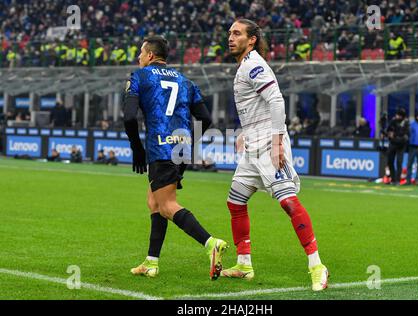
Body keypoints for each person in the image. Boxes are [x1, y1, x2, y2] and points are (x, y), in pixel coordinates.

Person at [224, 19, 328, 291]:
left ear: (252, 39)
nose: (230, 37)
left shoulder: (254, 65)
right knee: (235, 201)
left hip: (269, 143)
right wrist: (245, 131)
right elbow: (256, 106)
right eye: (230, 33)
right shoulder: (245, 65)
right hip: (253, 144)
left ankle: (317, 266)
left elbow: (276, 100)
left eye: (237, 33)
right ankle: (244, 264)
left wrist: (277, 141)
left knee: (289, 203)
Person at [123, 36, 228, 280]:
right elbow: (206, 120)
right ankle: (151, 262)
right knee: (154, 202)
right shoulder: (186, 81)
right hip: (180, 148)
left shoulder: (139, 77)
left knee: (167, 205)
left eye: (141, 52)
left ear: (150, 55)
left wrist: (137, 149)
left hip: (160, 149)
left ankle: (211, 243)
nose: (138, 57)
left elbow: (129, 118)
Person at [386, 109, 409, 185]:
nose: (397, 116)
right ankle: (393, 179)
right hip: (392, 144)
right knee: (390, 161)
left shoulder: (406, 123)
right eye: (397, 115)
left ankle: (397, 180)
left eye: (399, 115)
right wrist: (389, 135)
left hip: (401, 145)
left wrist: (396, 137)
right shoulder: (393, 121)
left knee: (399, 162)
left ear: (402, 116)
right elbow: (388, 130)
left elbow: (406, 135)